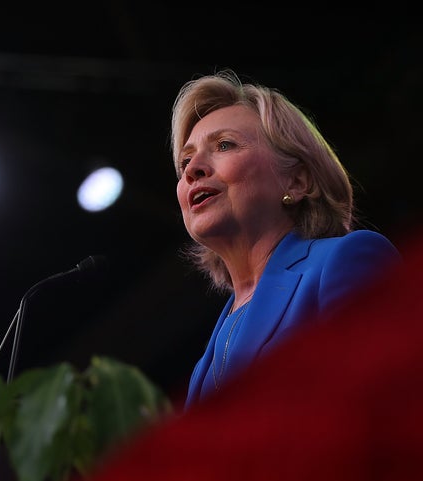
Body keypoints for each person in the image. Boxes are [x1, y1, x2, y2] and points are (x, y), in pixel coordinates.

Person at [171, 69, 402, 408]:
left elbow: (386, 412)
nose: (193, 170)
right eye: (186, 161)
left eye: (224, 145)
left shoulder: (349, 260)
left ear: (297, 182)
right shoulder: (202, 368)